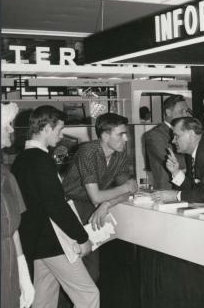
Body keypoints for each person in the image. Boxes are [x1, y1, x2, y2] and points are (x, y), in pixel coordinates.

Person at [12, 105, 99, 308]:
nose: (61, 137)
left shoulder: (21, 160)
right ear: (46, 129)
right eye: (59, 130)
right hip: (52, 243)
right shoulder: (41, 160)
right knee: (89, 295)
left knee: (43, 301)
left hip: (34, 243)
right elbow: (55, 205)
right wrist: (82, 237)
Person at [62, 112, 138, 282]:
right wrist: (123, 188)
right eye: (121, 134)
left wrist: (107, 204)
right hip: (70, 208)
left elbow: (129, 191)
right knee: (74, 271)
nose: (125, 139)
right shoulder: (88, 151)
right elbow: (97, 196)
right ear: (104, 135)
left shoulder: (119, 155)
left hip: (92, 209)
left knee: (91, 273)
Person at [1, 103, 34, 308]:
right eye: (6, 126)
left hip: (9, 263)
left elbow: (14, 231)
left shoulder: (7, 176)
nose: (12, 130)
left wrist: (24, 275)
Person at [144, 95, 189, 190]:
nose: (186, 115)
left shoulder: (187, 132)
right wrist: (199, 162)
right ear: (168, 112)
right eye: (182, 112)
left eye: (186, 111)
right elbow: (172, 161)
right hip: (168, 189)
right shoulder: (154, 135)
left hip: (188, 186)